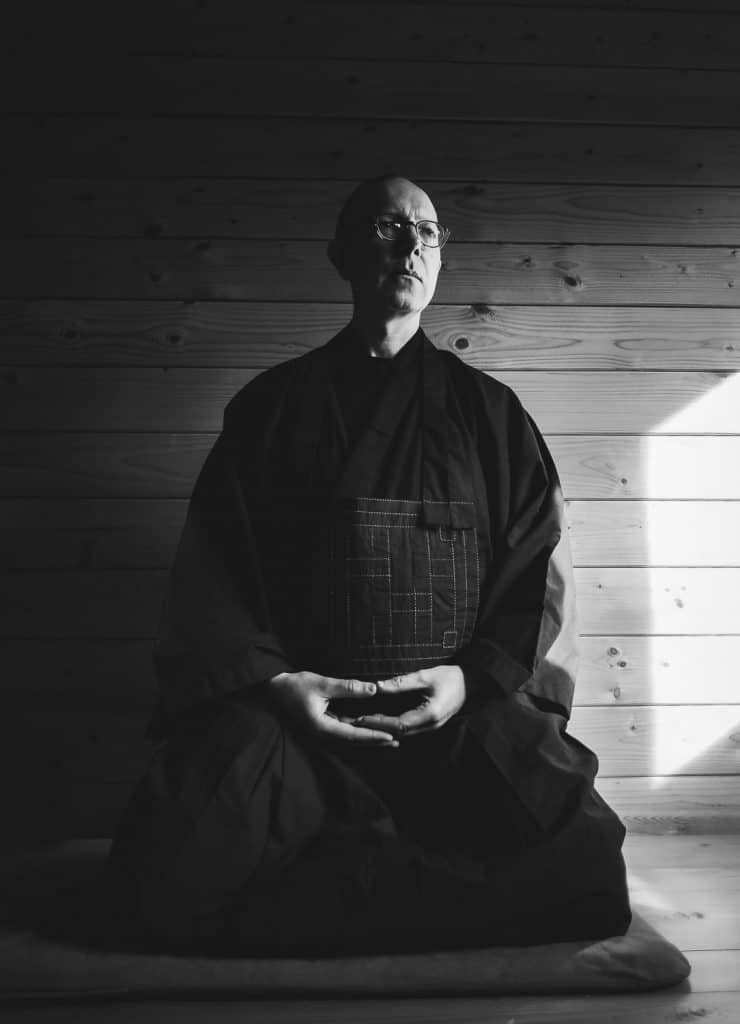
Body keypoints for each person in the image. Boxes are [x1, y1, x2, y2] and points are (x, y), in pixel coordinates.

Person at [105, 175, 632, 955]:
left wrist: (468, 681)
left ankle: (316, 902)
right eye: (390, 226)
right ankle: (416, 894)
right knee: (161, 872)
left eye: (429, 231)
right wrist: (281, 686)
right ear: (343, 252)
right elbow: (214, 574)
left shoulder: (491, 415)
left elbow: (536, 572)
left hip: (451, 715)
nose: (414, 244)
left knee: (586, 863)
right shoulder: (271, 409)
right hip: (295, 722)